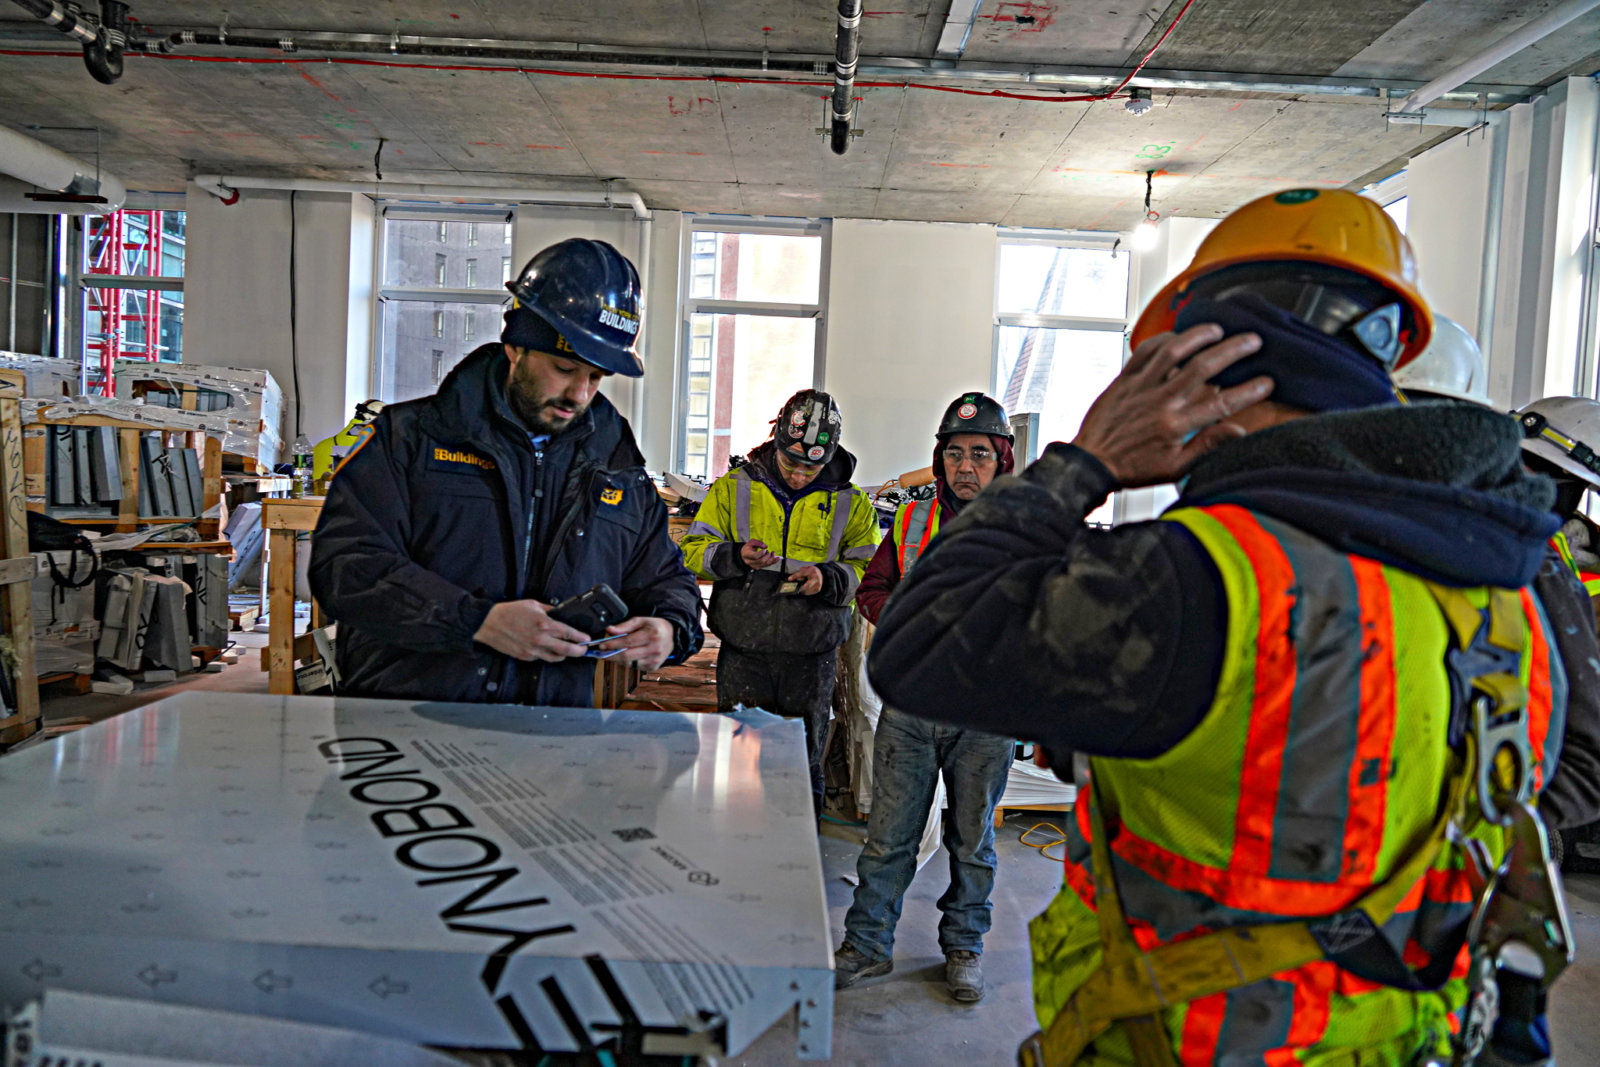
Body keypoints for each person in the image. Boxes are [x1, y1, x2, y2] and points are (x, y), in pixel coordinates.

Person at [868, 189, 1586, 1064]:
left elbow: (916, 647)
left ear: (1206, 367)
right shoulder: (1509, 590)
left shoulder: (1200, 578)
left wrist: (1085, 460)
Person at [309, 238, 703, 705]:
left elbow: (666, 578)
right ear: (516, 347)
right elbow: (346, 568)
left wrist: (669, 628)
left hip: (548, 739)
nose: (579, 394)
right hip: (407, 729)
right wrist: (476, 621)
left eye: (596, 378)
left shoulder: (616, 467)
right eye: (564, 368)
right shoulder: (409, 441)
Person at [834, 392, 1019, 1003]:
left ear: (1002, 461)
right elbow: (872, 589)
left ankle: (964, 948)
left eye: (980, 456)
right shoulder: (913, 521)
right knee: (889, 837)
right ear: (939, 460)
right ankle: (866, 945)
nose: (966, 467)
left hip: (985, 714)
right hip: (911, 711)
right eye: (955, 454)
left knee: (974, 841)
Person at [679, 389, 881, 815]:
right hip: (743, 649)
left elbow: (869, 570)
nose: (799, 475)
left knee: (802, 761)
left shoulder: (852, 502)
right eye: (791, 462)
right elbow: (693, 550)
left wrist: (826, 579)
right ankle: (736, 848)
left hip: (812, 653)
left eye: (812, 466)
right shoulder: (734, 488)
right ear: (775, 442)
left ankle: (798, 859)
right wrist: (735, 557)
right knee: (737, 756)